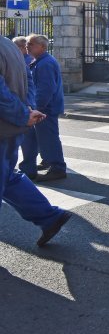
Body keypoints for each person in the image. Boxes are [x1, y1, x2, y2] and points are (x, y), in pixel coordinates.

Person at [0, 35, 71, 247]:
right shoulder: (8, 45)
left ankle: (48, 217)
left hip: (7, 123)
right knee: (9, 178)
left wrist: (24, 112)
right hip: (11, 128)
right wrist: (28, 107)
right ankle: (48, 217)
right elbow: (28, 78)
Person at [19, 34, 66, 182]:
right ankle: (49, 162)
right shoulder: (40, 61)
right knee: (44, 138)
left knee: (49, 138)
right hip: (45, 108)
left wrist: (37, 108)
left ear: (43, 47)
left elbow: (45, 90)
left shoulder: (45, 63)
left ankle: (57, 168)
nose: (28, 46)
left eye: (31, 44)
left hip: (46, 109)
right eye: (27, 43)